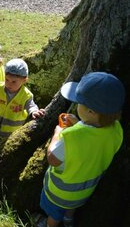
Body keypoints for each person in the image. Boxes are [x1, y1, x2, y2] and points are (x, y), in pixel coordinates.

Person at [40, 72, 125, 227]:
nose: (76, 105)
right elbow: (92, 139)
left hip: (59, 193)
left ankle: (49, 224)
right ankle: (69, 220)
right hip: (84, 192)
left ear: (91, 112)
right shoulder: (117, 130)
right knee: (70, 208)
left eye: (79, 102)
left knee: (55, 214)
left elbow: (53, 159)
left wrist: (57, 134)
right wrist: (80, 123)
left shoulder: (71, 137)